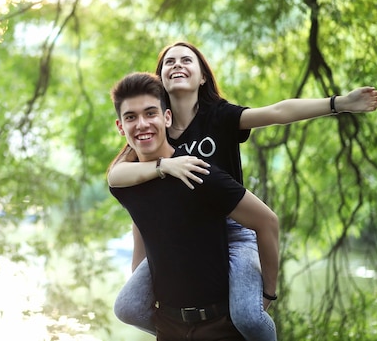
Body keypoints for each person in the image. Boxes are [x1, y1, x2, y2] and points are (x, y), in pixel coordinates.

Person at [109, 41, 377, 339]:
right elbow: (123, 182)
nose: (177, 64)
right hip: (182, 235)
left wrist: (338, 104)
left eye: (186, 60)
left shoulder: (219, 116)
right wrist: (164, 166)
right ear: (160, 80)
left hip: (234, 226)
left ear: (202, 76)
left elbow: (279, 111)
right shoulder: (150, 129)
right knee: (127, 307)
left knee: (248, 315)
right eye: (169, 61)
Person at [108, 72, 279, 341]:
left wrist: (268, 293)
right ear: (120, 126)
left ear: (166, 117)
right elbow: (140, 221)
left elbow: (266, 221)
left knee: (250, 318)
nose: (141, 124)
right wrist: (140, 282)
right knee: (125, 307)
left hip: (221, 327)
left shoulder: (198, 173)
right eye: (131, 117)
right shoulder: (125, 183)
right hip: (170, 329)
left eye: (150, 113)